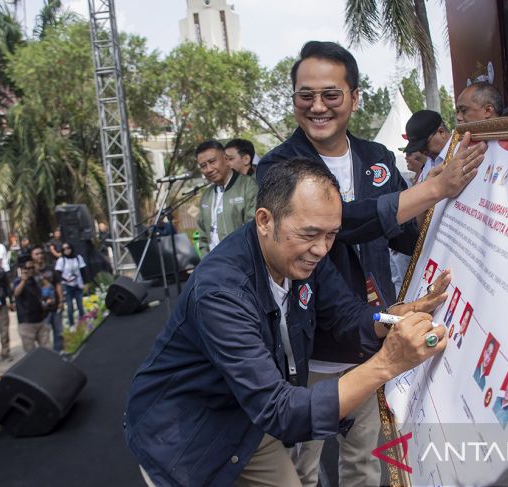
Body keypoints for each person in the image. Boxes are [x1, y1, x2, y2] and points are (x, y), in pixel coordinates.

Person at [125, 159, 448, 487]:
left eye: (332, 235)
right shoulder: (220, 290)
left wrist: (394, 315)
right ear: (265, 220)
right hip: (187, 439)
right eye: (310, 234)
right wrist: (388, 363)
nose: (321, 249)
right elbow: (279, 410)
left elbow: (348, 315)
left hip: (247, 421)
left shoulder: (303, 256)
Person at [256, 41, 484, 486]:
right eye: (306, 95)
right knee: (300, 468)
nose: (318, 106)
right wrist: (427, 192)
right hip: (311, 347)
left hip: (376, 334)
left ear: (354, 98)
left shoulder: (377, 159)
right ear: (294, 99)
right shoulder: (280, 166)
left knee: (363, 460)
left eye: (331, 94)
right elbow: (346, 223)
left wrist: (458, 224)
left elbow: (402, 235)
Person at [196, 140, 258, 255]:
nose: (208, 169)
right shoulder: (206, 196)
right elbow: (203, 236)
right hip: (214, 265)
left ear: (225, 159)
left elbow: (254, 229)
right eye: (203, 166)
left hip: (243, 261)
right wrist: (206, 261)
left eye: (212, 161)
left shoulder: (248, 186)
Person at [403, 110, 453, 185]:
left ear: (441, 132)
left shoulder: (462, 151)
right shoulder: (430, 162)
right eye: (418, 148)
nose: (422, 151)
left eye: (424, 145)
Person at [13, 256, 50, 353]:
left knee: (47, 350)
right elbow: (16, 293)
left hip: (41, 320)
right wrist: (23, 280)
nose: (31, 270)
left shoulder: (36, 280)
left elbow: (48, 288)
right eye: (28, 268)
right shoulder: (18, 281)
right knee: (31, 354)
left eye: (32, 267)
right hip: (26, 323)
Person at [32, 246, 64, 353]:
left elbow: (58, 285)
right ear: (32, 256)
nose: (40, 256)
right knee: (44, 336)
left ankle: (59, 354)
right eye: (36, 254)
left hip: (54, 307)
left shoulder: (50, 269)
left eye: (41, 253)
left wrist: (61, 301)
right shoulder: (30, 273)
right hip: (41, 310)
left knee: (59, 332)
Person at [55, 243, 87, 329]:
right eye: (64, 249)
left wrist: (85, 283)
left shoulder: (78, 258)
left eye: (68, 248)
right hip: (67, 285)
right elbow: (58, 273)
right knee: (70, 306)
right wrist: (66, 280)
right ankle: (71, 325)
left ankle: (83, 322)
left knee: (80, 304)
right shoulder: (62, 260)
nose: (67, 250)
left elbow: (83, 270)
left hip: (78, 284)